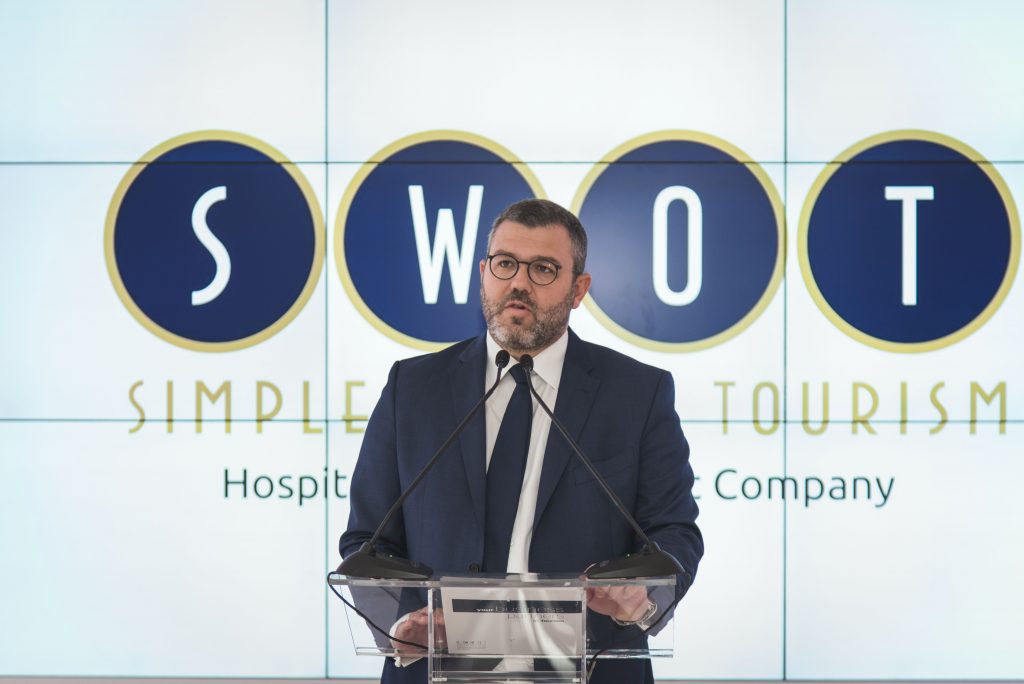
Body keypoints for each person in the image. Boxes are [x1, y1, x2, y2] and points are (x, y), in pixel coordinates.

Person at [340, 199, 703, 683]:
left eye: (543, 269)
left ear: (578, 290)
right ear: (483, 273)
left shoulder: (637, 393)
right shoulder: (414, 388)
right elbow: (367, 541)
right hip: (437, 671)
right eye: (505, 263)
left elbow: (674, 532)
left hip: (591, 669)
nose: (519, 283)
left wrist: (642, 592)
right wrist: (406, 620)